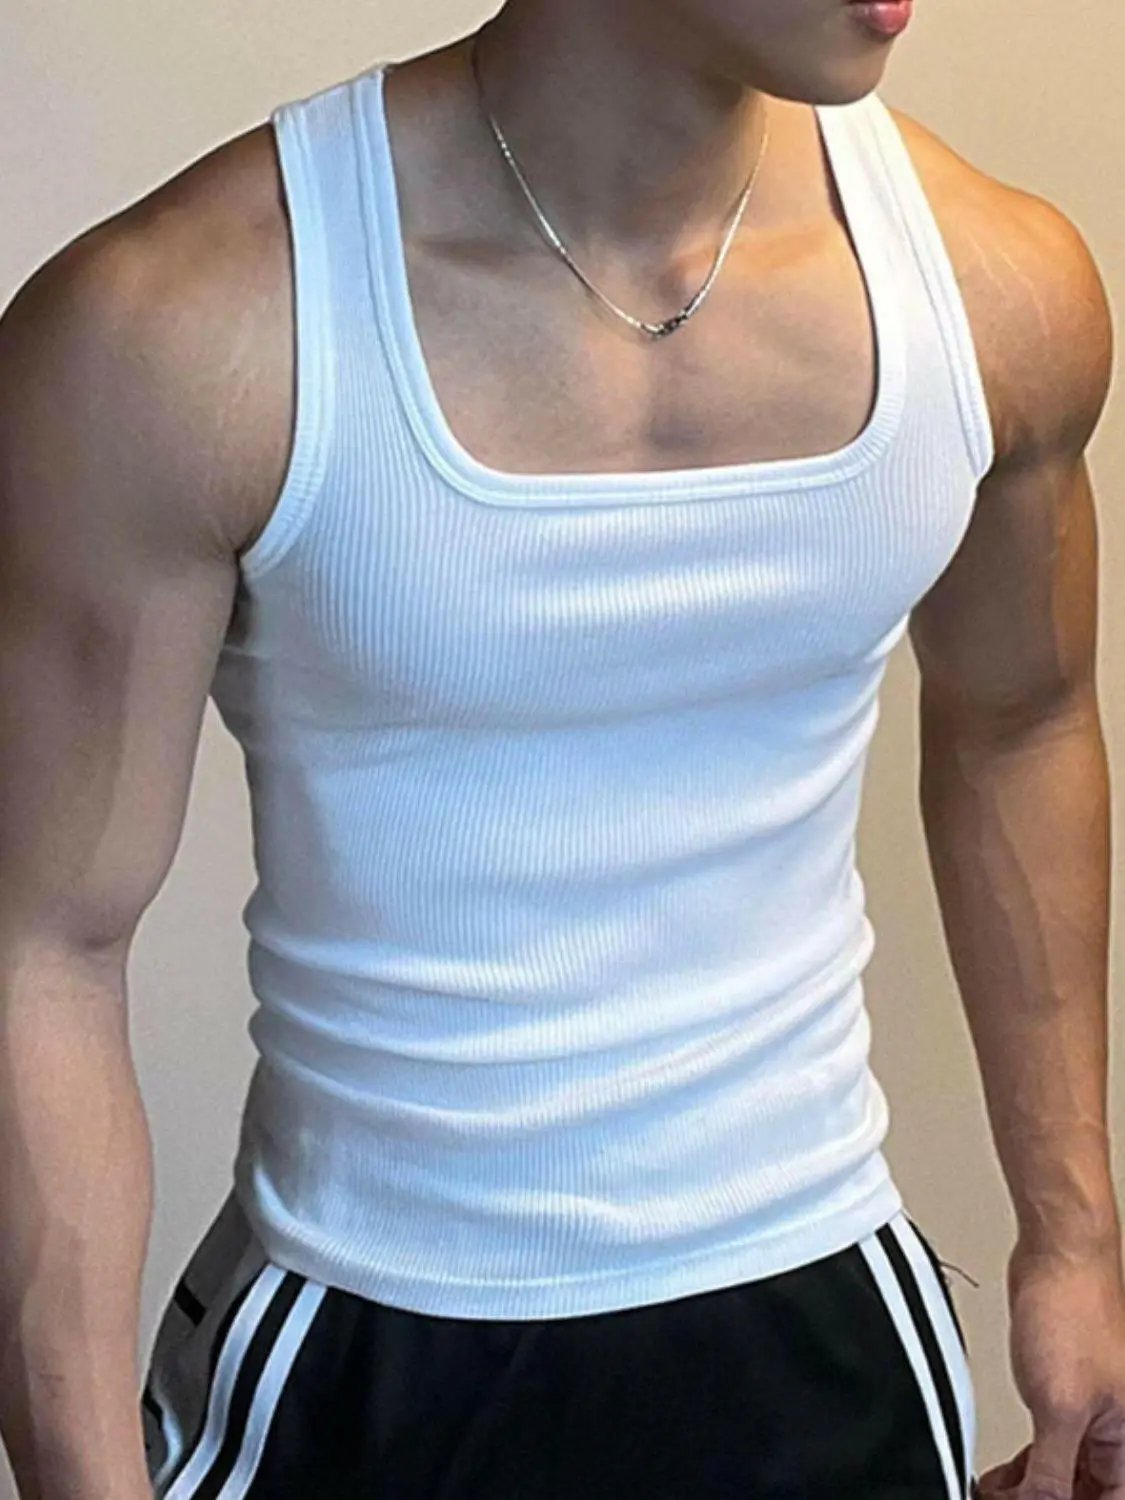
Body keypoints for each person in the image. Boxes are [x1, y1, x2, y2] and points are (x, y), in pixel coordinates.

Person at [1, 1, 1121, 1496]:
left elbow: (1019, 724)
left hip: (822, 1319)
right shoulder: (180, 329)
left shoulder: (997, 293)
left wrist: (1073, 1242)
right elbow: (42, 943)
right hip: (360, 1351)